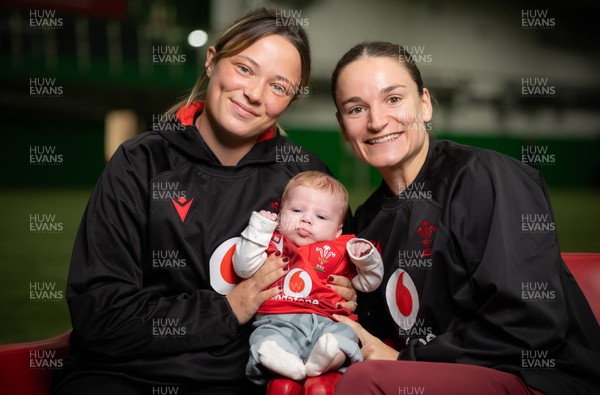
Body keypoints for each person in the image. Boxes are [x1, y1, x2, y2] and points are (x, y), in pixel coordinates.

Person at [52, 8, 358, 395]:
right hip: (125, 376)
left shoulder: (305, 178)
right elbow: (99, 312)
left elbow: (341, 284)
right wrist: (227, 309)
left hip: (245, 381)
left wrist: (341, 289)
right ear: (212, 61)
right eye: (245, 69)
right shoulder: (140, 162)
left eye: (278, 86)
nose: (254, 94)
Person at [329, 41, 600, 395]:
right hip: (427, 378)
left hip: (537, 379)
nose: (377, 121)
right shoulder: (363, 223)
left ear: (424, 104)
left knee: (367, 381)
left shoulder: (486, 177)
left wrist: (407, 361)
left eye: (393, 99)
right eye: (356, 109)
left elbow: (530, 326)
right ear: (342, 124)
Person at [232, 171, 383, 384]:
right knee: (264, 336)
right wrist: (259, 229)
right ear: (280, 212)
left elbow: (369, 283)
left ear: (337, 231)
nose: (306, 219)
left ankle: (326, 357)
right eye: (296, 210)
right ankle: (280, 359)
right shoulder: (272, 242)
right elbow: (243, 268)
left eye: (321, 217)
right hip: (279, 318)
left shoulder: (341, 248)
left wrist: (365, 258)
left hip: (328, 321)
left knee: (345, 336)